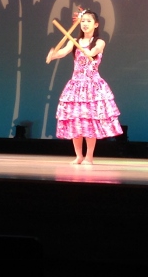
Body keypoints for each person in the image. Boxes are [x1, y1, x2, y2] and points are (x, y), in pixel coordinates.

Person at [46, 10, 122, 165]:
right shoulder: (74, 41)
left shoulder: (99, 42)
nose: (85, 24)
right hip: (76, 86)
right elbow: (63, 52)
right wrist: (53, 54)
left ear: (96, 24)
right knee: (76, 121)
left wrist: (88, 51)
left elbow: (94, 51)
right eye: (83, 21)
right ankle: (79, 156)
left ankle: (89, 157)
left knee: (89, 121)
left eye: (88, 21)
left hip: (92, 86)